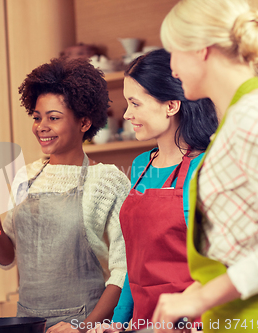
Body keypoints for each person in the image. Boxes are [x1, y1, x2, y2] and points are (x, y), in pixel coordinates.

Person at [151, 0, 258, 332]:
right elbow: (246, 245)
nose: (172, 68)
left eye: (174, 53)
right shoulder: (236, 120)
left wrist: (202, 298)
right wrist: (197, 292)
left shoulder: (254, 116)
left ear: (200, 49)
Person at [0, 57, 130, 332]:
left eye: (53, 118)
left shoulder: (107, 180)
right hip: (27, 322)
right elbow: (8, 257)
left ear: (83, 122)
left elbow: (122, 271)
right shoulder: (26, 176)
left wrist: (83, 328)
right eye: (37, 117)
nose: (40, 126)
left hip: (83, 324)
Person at [87, 49, 217, 333]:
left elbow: (220, 263)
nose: (127, 114)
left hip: (194, 323)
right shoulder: (140, 166)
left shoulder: (206, 167)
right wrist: (119, 324)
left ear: (171, 105)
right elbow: (136, 263)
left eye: (135, 103)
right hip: (144, 323)